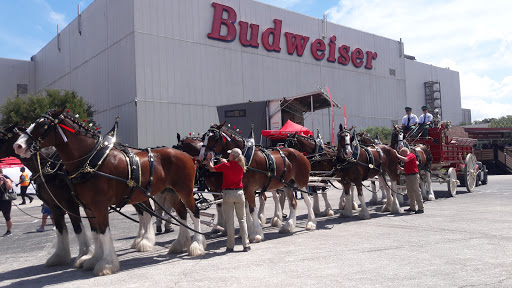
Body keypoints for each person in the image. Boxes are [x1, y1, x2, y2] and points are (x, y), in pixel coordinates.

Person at [207, 148, 250, 252]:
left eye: (230, 154)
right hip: (239, 193)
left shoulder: (225, 166)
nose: (229, 155)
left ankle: (230, 246)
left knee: (230, 221)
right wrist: (227, 162)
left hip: (228, 194)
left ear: (233, 156)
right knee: (242, 219)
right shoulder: (241, 165)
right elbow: (232, 166)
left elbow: (212, 169)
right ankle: (246, 245)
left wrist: (209, 160)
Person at [396, 147, 424, 214]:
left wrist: (397, 155)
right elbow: (405, 170)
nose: (402, 155)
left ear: (404, 151)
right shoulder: (407, 157)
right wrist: (399, 168)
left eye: (402, 154)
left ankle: (421, 208)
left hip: (413, 176)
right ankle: (412, 207)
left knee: (416, 191)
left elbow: (405, 160)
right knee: (410, 192)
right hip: (408, 175)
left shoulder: (411, 155)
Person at [0, 168, 14, 236]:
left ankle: (9, 231)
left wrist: (5, 180)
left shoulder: (6, 179)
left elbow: (9, 188)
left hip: (5, 200)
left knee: (7, 216)